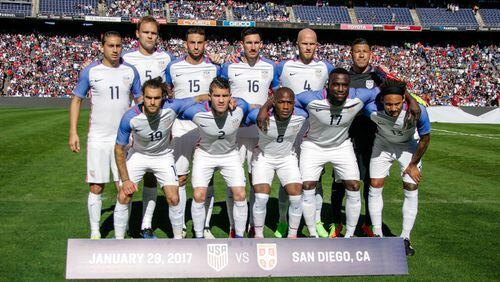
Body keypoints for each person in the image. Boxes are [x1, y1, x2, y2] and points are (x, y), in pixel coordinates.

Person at [113, 77, 208, 239]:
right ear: (142, 97)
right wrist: (126, 179)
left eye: (156, 98)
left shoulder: (172, 107)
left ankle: (178, 240)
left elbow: (199, 98)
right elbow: (119, 149)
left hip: (163, 156)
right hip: (138, 155)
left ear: (163, 97)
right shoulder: (130, 117)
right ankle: (118, 240)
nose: (152, 102)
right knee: (124, 194)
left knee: (173, 197)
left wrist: (230, 100)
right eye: (148, 98)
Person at [68, 31, 142, 239]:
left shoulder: (130, 71)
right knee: (96, 185)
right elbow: (76, 100)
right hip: (98, 138)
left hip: (123, 139)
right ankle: (95, 232)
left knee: (125, 186)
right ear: (102, 47)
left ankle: (121, 231)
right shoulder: (90, 72)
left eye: (118, 46)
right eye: (111, 46)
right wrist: (73, 132)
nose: (115, 50)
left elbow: (139, 102)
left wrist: (139, 130)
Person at [274, 28, 334, 238]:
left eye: (312, 44)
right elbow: (271, 90)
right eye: (304, 43)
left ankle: (316, 221)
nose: (308, 47)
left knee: (314, 180)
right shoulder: (282, 66)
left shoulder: (326, 67)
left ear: (316, 45)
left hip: (315, 132)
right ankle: (283, 221)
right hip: (289, 130)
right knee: (286, 179)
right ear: (297, 45)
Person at [122, 15, 176, 239]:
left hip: (158, 127)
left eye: (153, 33)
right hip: (134, 124)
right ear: (137, 33)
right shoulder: (126, 58)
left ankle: (146, 225)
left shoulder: (166, 58)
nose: (150, 36)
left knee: (152, 176)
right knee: (126, 182)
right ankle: (124, 226)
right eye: (145, 32)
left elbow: (171, 92)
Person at [221, 27, 279, 237]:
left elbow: (277, 95)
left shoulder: (271, 67)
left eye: (256, 42)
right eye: (249, 43)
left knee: (256, 181)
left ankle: (255, 225)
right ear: (242, 45)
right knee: (233, 182)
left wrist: (264, 106)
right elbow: (220, 92)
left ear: (261, 44)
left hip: (259, 133)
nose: (253, 46)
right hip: (235, 133)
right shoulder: (229, 68)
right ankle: (233, 226)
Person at [364, 79, 431, 255]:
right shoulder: (371, 108)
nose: (393, 109)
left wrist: (413, 164)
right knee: (375, 185)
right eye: (388, 104)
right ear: (381, 102)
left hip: (407, 145)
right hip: (382, 145)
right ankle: (377, 234)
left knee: (411, 185)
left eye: (397, 104)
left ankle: (405, 238)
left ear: (404, 100)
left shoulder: (418, 111)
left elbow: (425, 139)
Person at [166, 27, 220, 239]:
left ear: (204, 44)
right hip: (180, 127)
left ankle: (204, 226)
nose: (196, 46)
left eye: (200, 42)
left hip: (206, 128)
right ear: (186, 44)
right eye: (192, 42)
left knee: (207, 180)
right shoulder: (174, 67)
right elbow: (168, 94)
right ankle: (179, 228)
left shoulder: (214, 68)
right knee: (180, 177)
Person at [181, 77, 250, 238]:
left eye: (225, 96)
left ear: (230, 96)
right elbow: (177, 106)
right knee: (199, 195)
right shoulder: (197, 112)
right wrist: (199, 97)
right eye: (217, 96)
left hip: (230, 155)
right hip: (205, 155)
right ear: (210, 96)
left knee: (240, 194)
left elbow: (246, 104)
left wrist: (238, 101)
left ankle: (239, 237)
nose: (221, 100)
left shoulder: (238, 109)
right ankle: (198, 237)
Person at [245, 87, 313, 238]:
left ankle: (292, 236)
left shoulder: (301, 115)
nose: (286, 106)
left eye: (289, 103)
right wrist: (264, 107)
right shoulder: (258, 116)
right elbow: (240, 116)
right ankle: (258, 235)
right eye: (281, 102)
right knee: (261, 198)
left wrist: (266, 105)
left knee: (296, 196)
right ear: (274, 102)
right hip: (264, 158)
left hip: (287, 158)